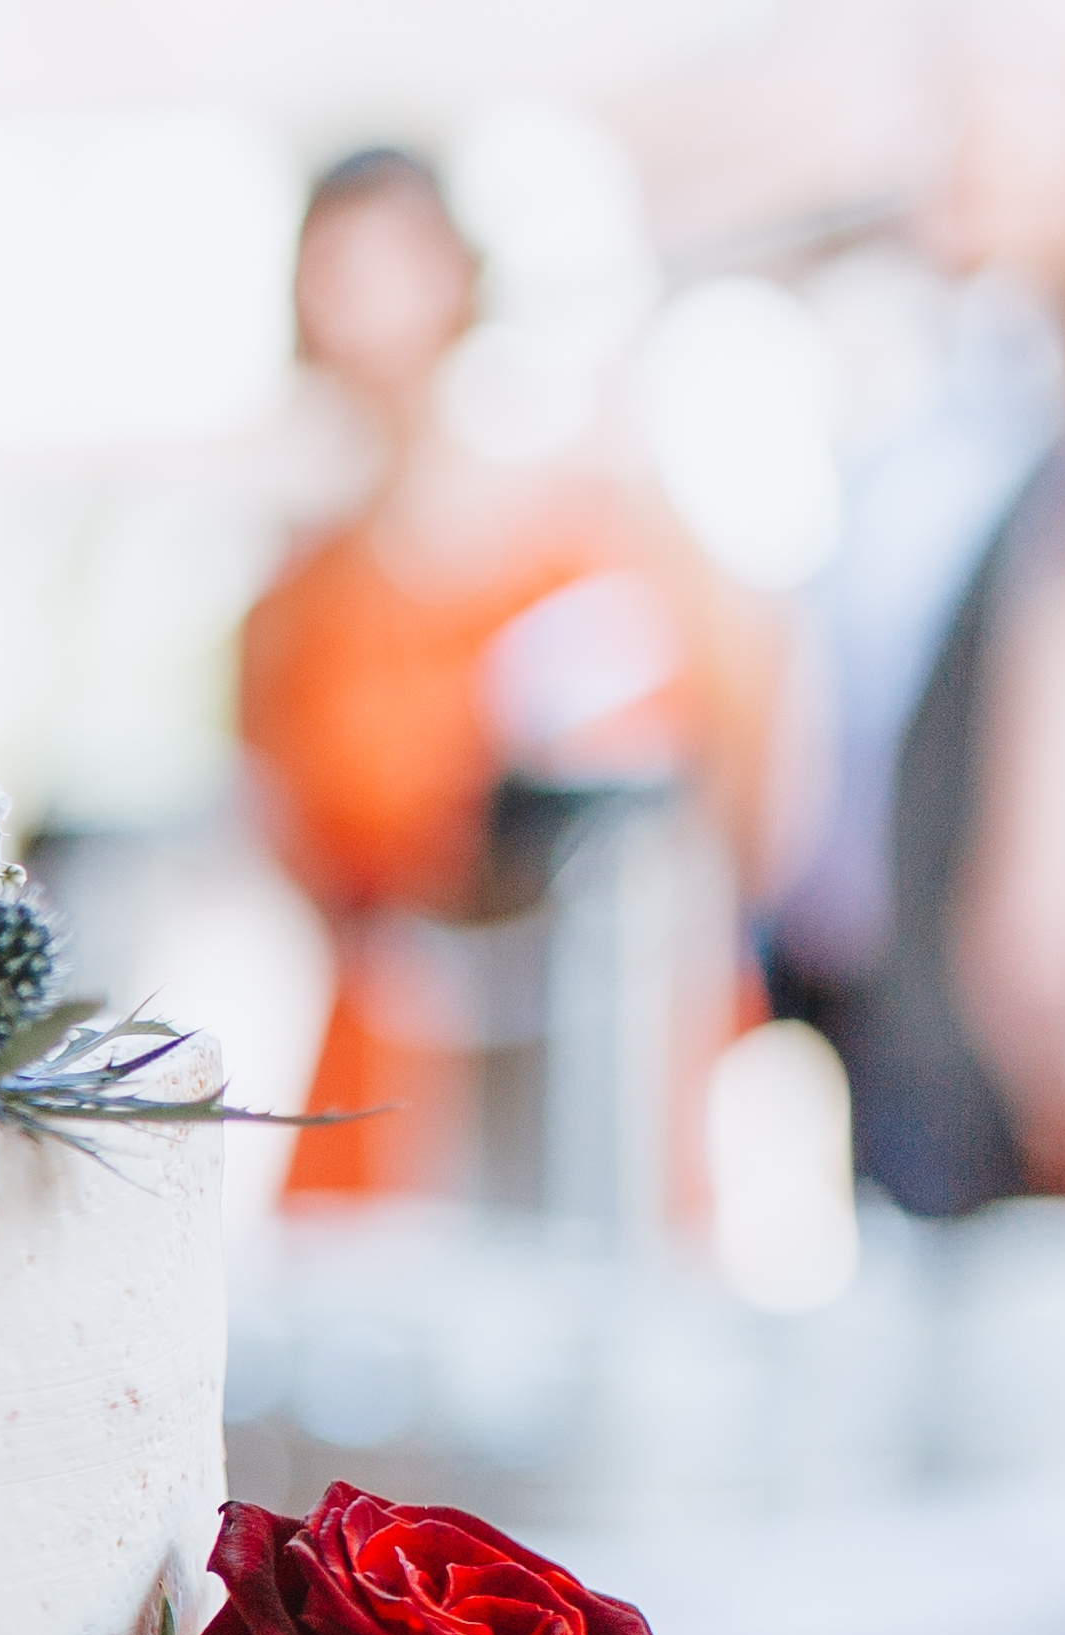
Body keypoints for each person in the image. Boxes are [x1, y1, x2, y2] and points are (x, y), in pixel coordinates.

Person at [239, 146, 777, 1206]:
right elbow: (294, 838)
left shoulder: (581, 537)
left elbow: (723, 758)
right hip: (389, 1063)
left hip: (577, 1050)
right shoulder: (299, 598)